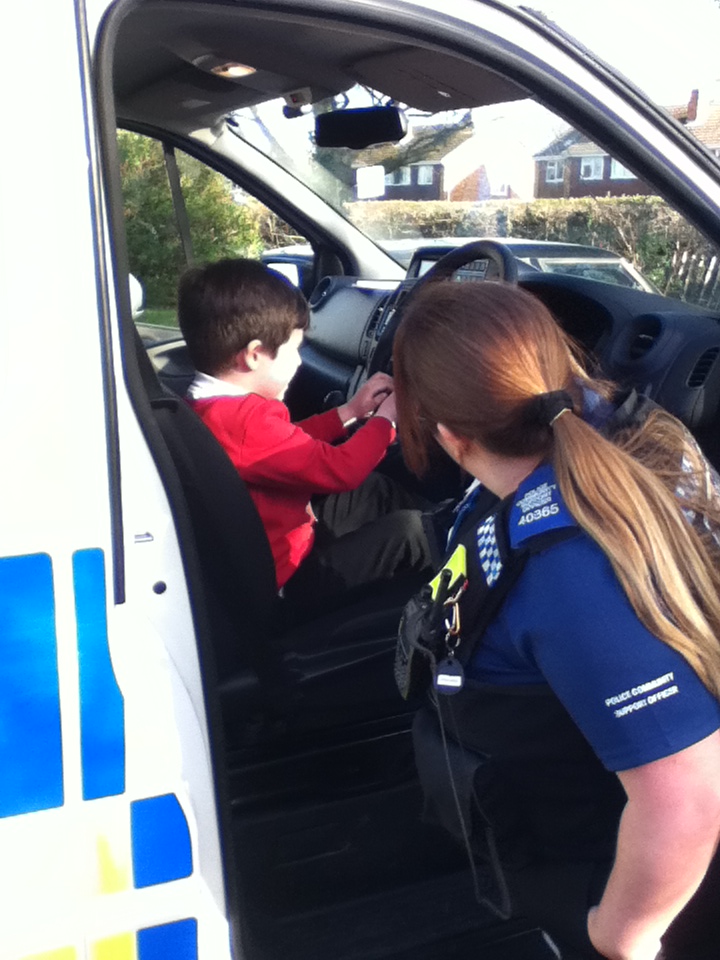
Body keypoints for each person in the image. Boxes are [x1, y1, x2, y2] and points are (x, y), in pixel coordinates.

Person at [391, 280, 720, 960]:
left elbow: (686, 800)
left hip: (589, 852)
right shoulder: (611, 426)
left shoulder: (573, 575)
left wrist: (621, 934)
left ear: (449, 435)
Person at [177, 257, 431, 616]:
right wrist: (386, 420)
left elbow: (289, 442)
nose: (299, 360)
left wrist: (350, 412)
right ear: (254, 355)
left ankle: (446, 520)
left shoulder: (212, 408)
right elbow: (343, 469)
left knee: (372, 490)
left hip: (277, 544)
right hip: (290, 582)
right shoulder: (247, 421)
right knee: (411, 533)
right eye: (294, 349)